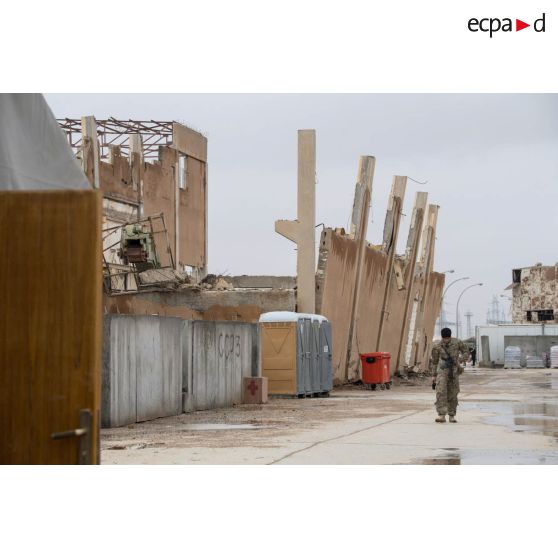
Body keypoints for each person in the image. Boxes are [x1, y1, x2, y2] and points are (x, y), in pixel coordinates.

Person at [430, 327, 470, 423]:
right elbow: (434, 362)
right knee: (440, 392)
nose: (446, 340)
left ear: (450, 336)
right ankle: (441, 415)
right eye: (444, 338)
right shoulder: (437, 345)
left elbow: (466, 351)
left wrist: (460, 359)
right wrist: (434, 375)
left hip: (454, 370)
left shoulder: (457, 342)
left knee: (453, 392)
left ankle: (451, 415)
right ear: (442, 337)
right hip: (442, 371)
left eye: (448, 338)